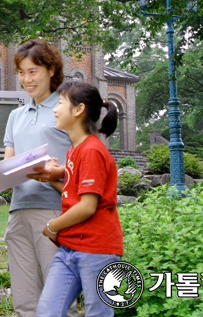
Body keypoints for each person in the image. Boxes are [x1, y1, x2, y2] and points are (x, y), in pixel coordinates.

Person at [36, 81, 124, 317]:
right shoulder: (76, 149)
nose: (55, 109)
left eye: (60, 103)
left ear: (78, 110)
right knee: (47, 311)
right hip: (70, 247)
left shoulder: (92, 151)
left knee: (99, 313)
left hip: (98, 249)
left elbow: (87, 206)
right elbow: (75, 193)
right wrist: (47, 179)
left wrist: (51, 226)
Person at [2, 39, 75, 317]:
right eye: (21, 72)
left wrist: (56, 173)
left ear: (52, 69)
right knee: (25, 302)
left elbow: (87, 162)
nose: (26, 79)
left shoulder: (69, 108)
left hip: (55, 211)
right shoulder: (15, 116)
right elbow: (9, 165)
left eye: (33, 71)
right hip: (18, 211)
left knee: (58, 302)